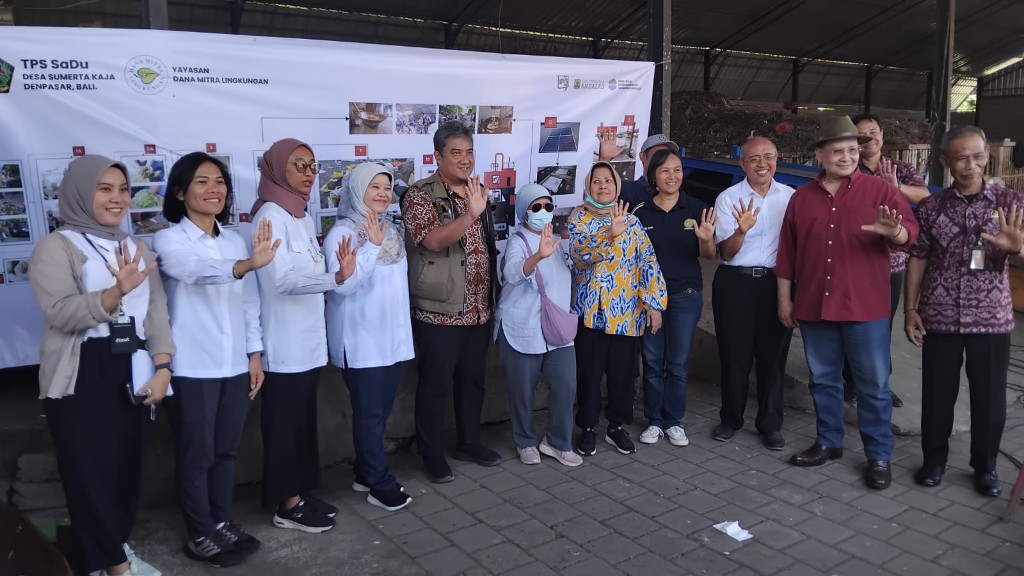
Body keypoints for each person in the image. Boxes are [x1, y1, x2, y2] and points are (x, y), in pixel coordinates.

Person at [28, 155, 173, 576]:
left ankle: (107, 551)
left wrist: (163, 368)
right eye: (104, 189)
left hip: (135, 366)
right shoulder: (56, 246)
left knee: (125, 471)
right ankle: (115, 566)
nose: (118, 199)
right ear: (79, 193)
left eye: (124, 190)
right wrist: (113, 294)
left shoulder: (136, 246)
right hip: (83, 374)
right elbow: (61, 313)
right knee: (90, 474)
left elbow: (156, 313)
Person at [777, 116, 918, 490]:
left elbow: (910, 234)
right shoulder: (801, 198)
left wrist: (897, 232)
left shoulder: (880, 192)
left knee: (873, 384)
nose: (846, 157)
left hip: (864, 308)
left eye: (852, 150)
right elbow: (788, 253)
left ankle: (878, 455)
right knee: (823, 380)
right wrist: (784, 298)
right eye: (837, 151)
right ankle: (829, 441)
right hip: (815, 305)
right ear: (820, 155)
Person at [154, 152, 276, 567]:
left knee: (225, 451)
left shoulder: (234, 239)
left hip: (233, 364)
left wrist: (254, 354)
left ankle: (221, 521)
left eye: (220, 181)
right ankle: (199, 531)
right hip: (192, 367)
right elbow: (197, 271)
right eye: (202, 182)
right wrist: (245, 265)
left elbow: (249, 304)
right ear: (180, 192)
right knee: (197, 454)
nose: (214, 189)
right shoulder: (169, 239)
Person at [904, 126, 1023, 496]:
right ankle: (934, 460)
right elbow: (919, 258)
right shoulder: (930, 207)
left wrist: (1016, 248)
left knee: (989, 398)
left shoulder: (1011, 202)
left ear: (987, 154)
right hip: (939, 316)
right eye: (961, 158)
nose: (970, 165)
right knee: (938, 393)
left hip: (991, 318)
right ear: (945, 162)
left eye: (977, 156)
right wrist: (910, 307)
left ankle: (985, 467)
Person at [251, 138, 357, 532]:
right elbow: (280, 280)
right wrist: (334, 278)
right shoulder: (270, 216)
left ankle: (300, 491)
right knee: (283, 427)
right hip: (283, 346)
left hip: (308, 345)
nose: (310, 173)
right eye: (300, 165)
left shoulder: (300, 216)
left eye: (313, 165)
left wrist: (332, 278)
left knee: (301, 424)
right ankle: (287, 504)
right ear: (278, 169)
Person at [400, 121, 501, 483]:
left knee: (472, 381)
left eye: (469, 152)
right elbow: (432, 241)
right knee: (434, 384)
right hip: (439, 310)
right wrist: (469, 214)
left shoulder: (478, 190)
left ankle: (469, 442)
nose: (464, 160)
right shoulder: (419, 195)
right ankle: (430, 454)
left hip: (478, 307)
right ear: (438, 156)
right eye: (455, 153)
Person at [323, 162, 414, 510]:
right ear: (357, 190)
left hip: (389, 338)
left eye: (386, 187)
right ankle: (378, 482)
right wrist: (371, 249)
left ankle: (365, 472)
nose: (382, 193)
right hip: (361, 341)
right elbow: (342, 287)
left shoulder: (390, 229)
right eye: (373, 186)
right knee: (370, 413)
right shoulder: (342, 234)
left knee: (380, 410)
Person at [570, 161, 667, 456]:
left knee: (624, 376)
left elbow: (647, 262)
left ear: (617, 186)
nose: (602, 186)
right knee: (588, 375)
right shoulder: (578, 220)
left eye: (608, 181)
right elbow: (580, 255)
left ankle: (616, 427)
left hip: (627, 315)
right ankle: (586, 428)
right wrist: (609, 235)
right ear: (588, 186)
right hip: (592, 317)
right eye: (597, 181)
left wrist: (653, 304)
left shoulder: (632, 222)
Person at [843, 113, 932, 409]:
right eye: (862, 134)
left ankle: (880, 382)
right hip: (855, 259)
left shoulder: (900, 168)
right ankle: (852, 383)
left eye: (873, 131)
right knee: (852, 321)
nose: (870, 137)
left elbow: (924, 195)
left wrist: (894, 187)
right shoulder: (847, 166)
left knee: (881, 325)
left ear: (881, 133)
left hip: (891, 263)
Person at [711, 137, 795, 449]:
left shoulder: (790, 197)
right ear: (742, 164)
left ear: (777, 159)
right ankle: (731, 418)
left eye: (768, 157)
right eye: (754, 159)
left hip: (775, 283)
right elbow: (727, 253)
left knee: (773, 357)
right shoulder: (728, 198)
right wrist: (741, 230)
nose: (762, 164)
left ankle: (770, 424)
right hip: (735, 283)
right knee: (735, 354)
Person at [495, 183, 582, 467]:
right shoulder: (518, 240)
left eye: (548, 206)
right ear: (524, 211)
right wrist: (538, 257)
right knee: (522, 389)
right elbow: (511, 273)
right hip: (522, 327)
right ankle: (525, 441)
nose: (544, 212)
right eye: (536, 207)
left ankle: (558, 442)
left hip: (556, 329)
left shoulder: (559, 240)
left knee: (566, 384)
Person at [633, 150, 715, 448]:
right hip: (649, 299)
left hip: (686, 295)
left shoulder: (696, 208)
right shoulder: (640, 212)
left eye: (678, 170)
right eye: (665, 170)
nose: (672, 176)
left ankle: (673, 420)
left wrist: (706, 239)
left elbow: (708, 255)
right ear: (653, 175)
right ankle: (654, 420)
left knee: (678, 363)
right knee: (653, 361)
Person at [599, 133, 681, 207]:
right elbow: (596, 200)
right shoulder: (625, 190)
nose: (663, 159)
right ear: (643, 156)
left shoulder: (681, 194)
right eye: (658, 154)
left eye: (667, 154)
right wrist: (604, 159)